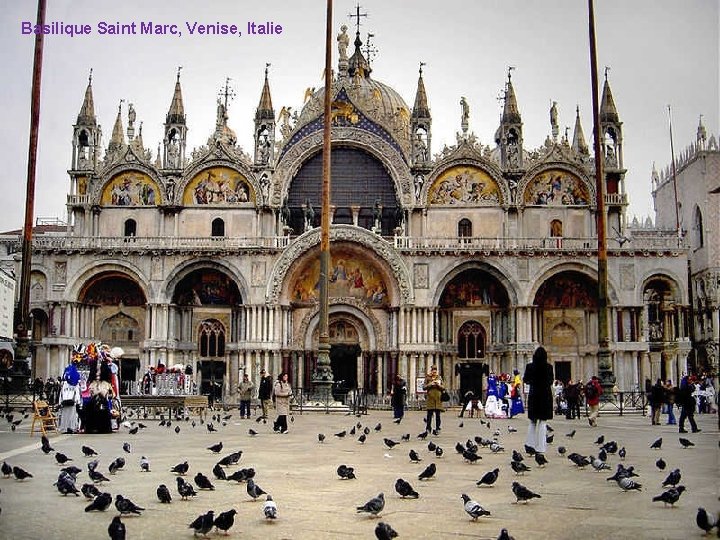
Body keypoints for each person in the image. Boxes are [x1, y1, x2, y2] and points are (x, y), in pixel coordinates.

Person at [522, 346, 554, 456]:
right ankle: (541, 447)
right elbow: (551, 381)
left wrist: (533, 381)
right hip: (545, 395)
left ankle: (529, 445)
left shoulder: (530, 366)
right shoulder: (549, 367)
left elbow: (525, 379)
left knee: (532, 421)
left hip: (534, 395)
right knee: (543, 422)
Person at [84, 363, 114, 434]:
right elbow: (90, 393)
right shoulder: (92, 383)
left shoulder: (106, 383)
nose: (98, 373)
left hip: (103, 402)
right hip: (94, 402)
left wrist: (104, 393)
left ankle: (103, 428)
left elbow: (111, 394)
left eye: (99, 371)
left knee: (103, 412)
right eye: (96, 371)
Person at [58, 362, 82, 434]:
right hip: (72, 401)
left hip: (65, 401)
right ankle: (71, 427)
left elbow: (61, 393)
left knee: (64, 415)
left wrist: (60, 401)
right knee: (72, 415)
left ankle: (64, 428)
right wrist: (78, 402)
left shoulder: (64, 384)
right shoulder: (75, 383)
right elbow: (77, 392)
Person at [424, 365, 445, 435]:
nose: (434, 371)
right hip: (430, 398)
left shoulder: (439, 377)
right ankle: (428, 428)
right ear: (431, 371)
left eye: (435, 370)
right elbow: (424, 387)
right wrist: (430, 384)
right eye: (433, 370)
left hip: (438, 399)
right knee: (429, 415)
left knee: (438, 415)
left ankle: (438, 428)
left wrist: (438, 385)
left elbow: (443, 387)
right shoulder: (427, 378)